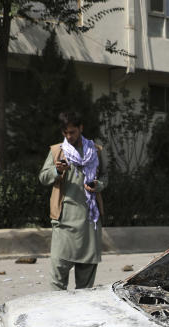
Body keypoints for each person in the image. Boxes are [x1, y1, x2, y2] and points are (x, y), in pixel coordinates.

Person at [39, 111, 105, 291]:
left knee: (85, 286)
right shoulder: (57, 151)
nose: (69, 136)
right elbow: (43, 178)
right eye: (66, 133)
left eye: (73, 132)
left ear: (81, 128)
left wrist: (98, 185)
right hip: (64, 222)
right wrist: (57, 171)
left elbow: (105, 178)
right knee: (57, 282)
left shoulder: (95, 151)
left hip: (90, 223)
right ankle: (56, 318)